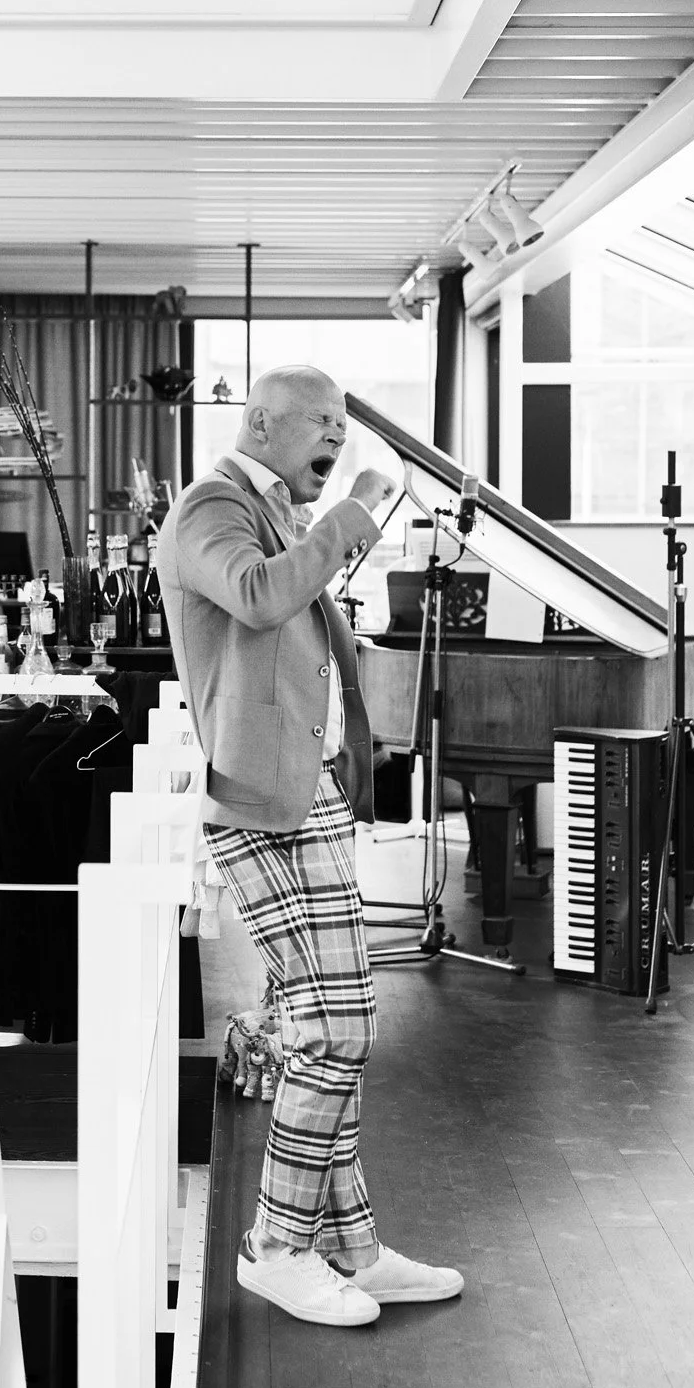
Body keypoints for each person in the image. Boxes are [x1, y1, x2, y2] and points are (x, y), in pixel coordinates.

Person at [157, 365, 464, 1328]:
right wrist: (361, 512)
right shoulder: (211, 505)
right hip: (257, 803)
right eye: (322, 423)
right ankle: (278, 1247)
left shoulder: (278, 510)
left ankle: (354, 1247)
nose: (338, 438)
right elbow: (255, 598)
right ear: (261, 423)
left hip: (308, 796)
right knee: (338, 1030)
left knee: (330, 1025)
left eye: (342, 424)